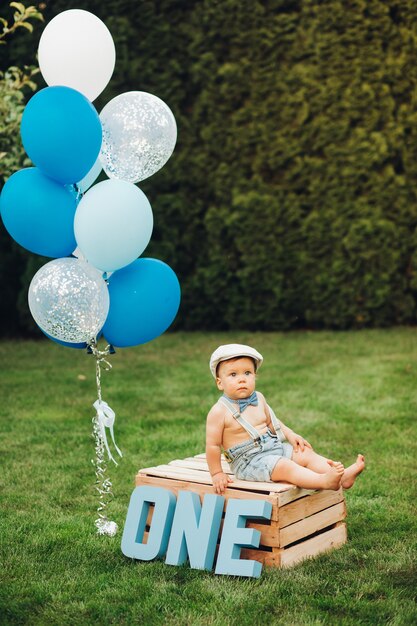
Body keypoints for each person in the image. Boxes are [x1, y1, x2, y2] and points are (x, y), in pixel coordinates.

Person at [206, 343, 365, 495]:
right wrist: (217, 473)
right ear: (220, 383)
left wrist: (290, 435)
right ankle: (324, 481)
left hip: (273, 447)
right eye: (233, 374)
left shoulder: (259, 398)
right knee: (285, 466)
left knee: (305, 453)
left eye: (247, 373)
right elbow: (213, 445)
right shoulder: (219, 411)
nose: (242, 379)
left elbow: (272, 422)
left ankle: (343, 478)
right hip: (249, 462)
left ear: (255, 376)